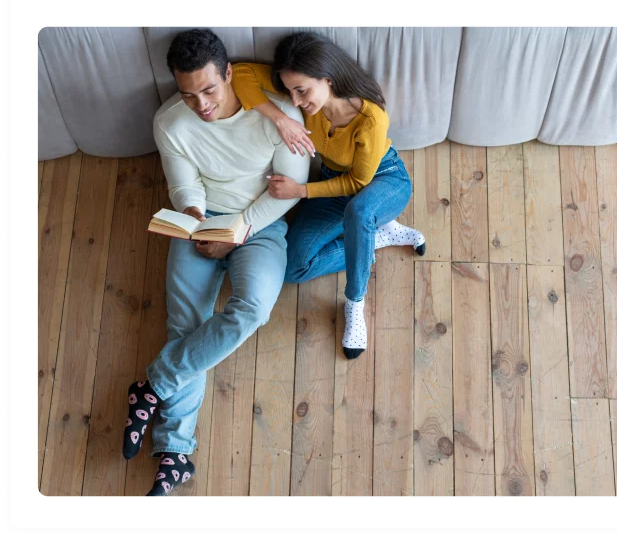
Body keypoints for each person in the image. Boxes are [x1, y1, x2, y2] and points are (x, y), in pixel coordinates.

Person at [121, 28, 309, 497]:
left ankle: (153, 385)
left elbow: (285, 190)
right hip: (203, 225)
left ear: (230, 74)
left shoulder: (280, 117)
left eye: (209, 90)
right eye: (189, 96)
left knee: (252, 308)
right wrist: (195, 218)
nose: (202, 105)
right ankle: (175, 455)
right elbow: (185, 186)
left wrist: (238, 233)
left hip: (262, 225)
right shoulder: (170, 122)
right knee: (185, 323)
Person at [231, 31, 426, 360]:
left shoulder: (370, 118)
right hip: (333, 183)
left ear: (328, 79)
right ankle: (372, 240)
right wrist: (281, 120)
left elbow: (357, 182)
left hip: (383, 181)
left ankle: (355, 303)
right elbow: (240, 74)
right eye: (290, 92)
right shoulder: (303, 99)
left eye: (301, 91)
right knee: (293, 267)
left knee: (360, 212)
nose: (295, 101)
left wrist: (300, 191)